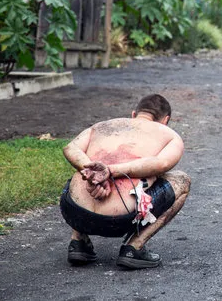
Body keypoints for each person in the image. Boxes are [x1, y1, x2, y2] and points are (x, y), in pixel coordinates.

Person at [60, 94, 190, 269]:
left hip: (73, 211)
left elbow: (70, 148)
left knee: (83, 169)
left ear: (133, 114)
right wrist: (105, 172)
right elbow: (162, 164)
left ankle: (78, 242)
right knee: (181, 180)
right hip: (121, 219)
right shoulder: (169, 135)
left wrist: (97, 172)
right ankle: (133, 248)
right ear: (165, 120)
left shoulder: (100, 127)